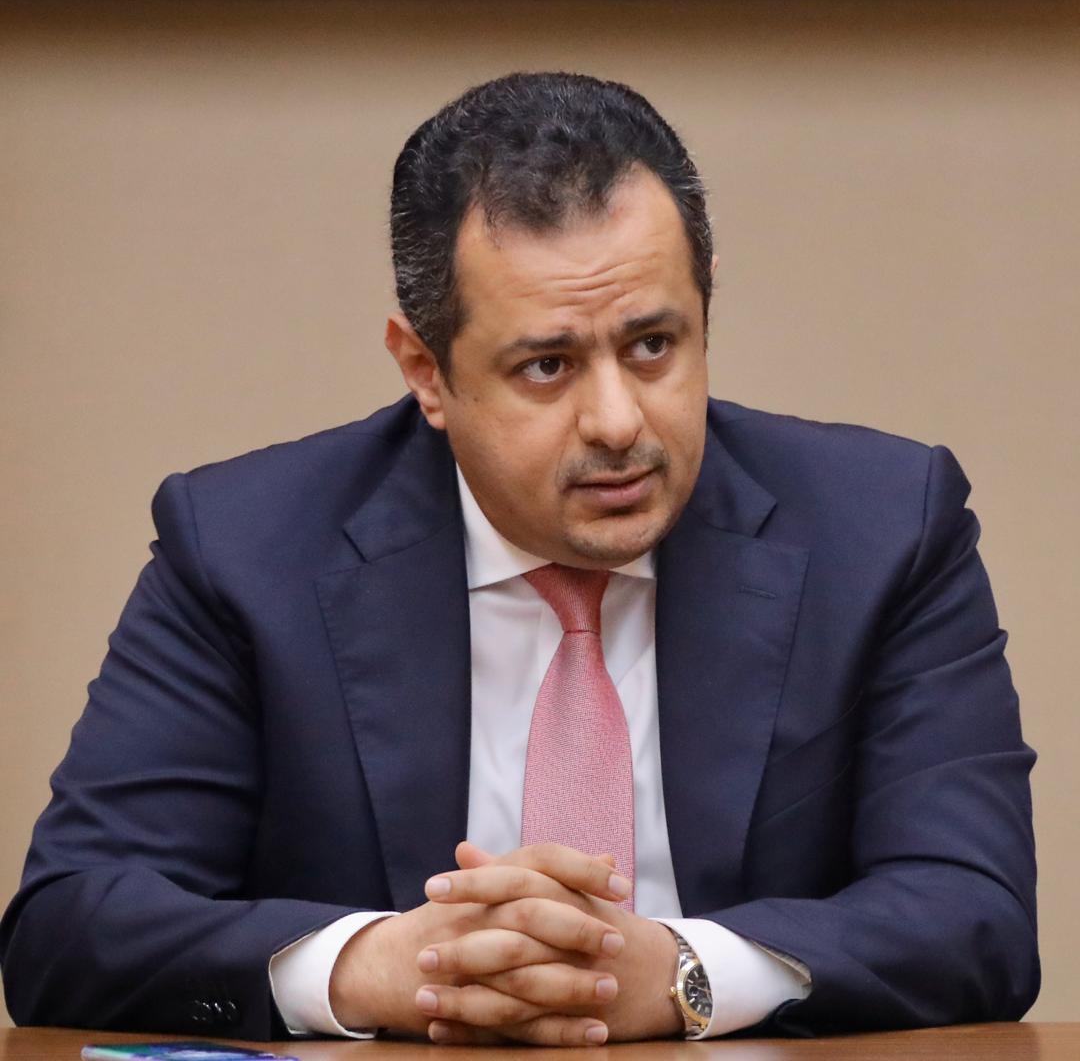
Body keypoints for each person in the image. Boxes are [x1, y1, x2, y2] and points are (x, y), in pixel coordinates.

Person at [0, 72, 1038, 1047]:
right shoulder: (244, 550)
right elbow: (71, 926)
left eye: (653, 345)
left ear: (705, 307)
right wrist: (374, 966)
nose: (619, 421)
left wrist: (684, 972)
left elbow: (973, 912)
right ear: (426, 371)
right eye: (548, 365)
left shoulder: (883, 531)